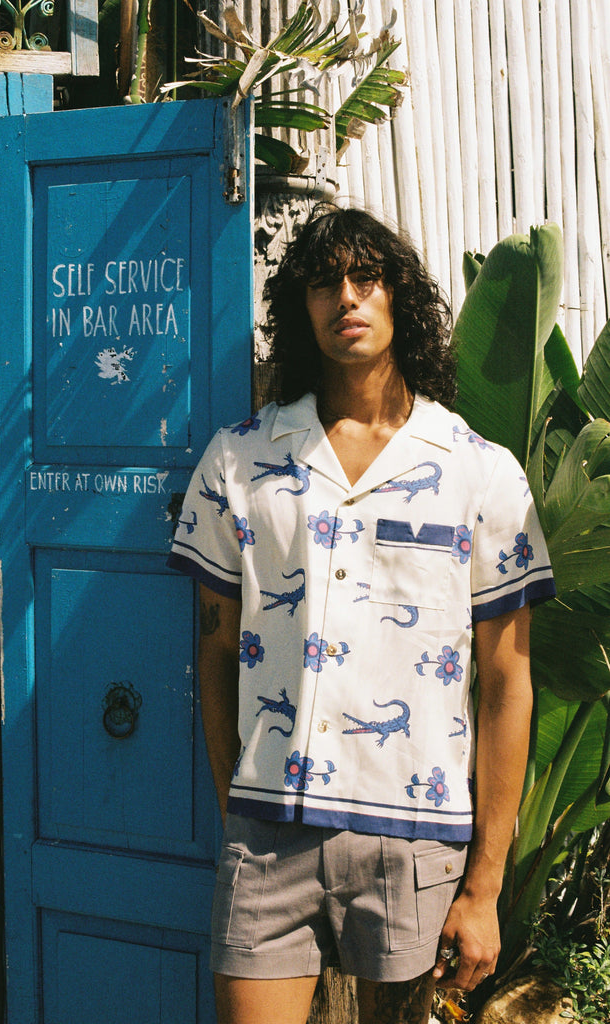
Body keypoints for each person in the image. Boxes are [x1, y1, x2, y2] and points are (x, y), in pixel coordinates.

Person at [167, 207, 556, 1024]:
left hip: (415, 838)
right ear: (300, 308)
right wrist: (234, 795)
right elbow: (212, 651)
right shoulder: (239, 460)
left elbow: (507, 682)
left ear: (399, 298)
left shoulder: (478, 474)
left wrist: (484, 885)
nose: (345, 296)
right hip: (269, 828)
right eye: (323, 282)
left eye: (365, 278)